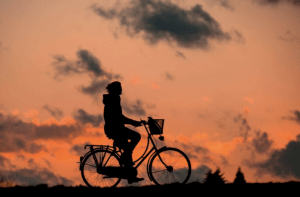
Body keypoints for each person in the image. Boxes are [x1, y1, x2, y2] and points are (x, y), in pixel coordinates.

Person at [102, 81, 144, 184]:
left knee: (128, 149)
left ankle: (130, 176)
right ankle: (124, 158)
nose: (121, 89)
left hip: (116, 129)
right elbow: (119, 117)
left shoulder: (114, 99)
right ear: (115, 90)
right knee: (136, 136)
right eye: (120, 88)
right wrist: (134, 123)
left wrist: (133, 123)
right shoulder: (113, 100)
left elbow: (119, 117)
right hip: (115, 130)